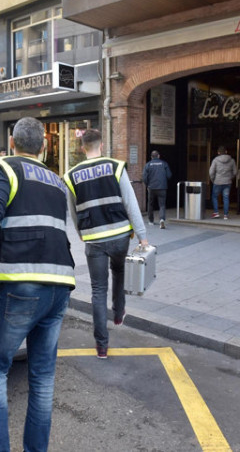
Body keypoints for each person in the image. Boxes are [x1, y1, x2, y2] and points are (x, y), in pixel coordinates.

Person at [0, 117, 75, 452]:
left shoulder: (6, 167)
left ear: (12, 144)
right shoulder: (58, 182)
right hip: (59, 286)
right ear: (43, 148)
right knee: (42, 378)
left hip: (20, 284)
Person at [63, 129, 148, 359]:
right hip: (120, 236)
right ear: (101, 146)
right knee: (119, 271)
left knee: (98, 290)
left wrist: (81, 233)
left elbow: (72, 211)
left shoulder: (71, 175)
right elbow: (131, 203)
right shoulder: (115, 166)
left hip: (94, 240)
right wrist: (142, 235)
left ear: (83, 148)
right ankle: (119, 313)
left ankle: (101, 345)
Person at [142, 150, 172, 229]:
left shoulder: (148, 165)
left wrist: (147, 185)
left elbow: (144, 178)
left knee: (150, 204)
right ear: (158, 156)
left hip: (151, 187)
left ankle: (151, 221)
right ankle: (162, 219)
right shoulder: (164, 164)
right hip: (162, 187)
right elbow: (169, 175)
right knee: (162, 205)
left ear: (151, 157)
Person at [208, 146, 237, 219]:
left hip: (217, 181)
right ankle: (225, 215)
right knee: (226, 197)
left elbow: (211, 172)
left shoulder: (215, 160)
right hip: (227, 182)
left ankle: (216, 212)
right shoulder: (232, 160)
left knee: (215, 197)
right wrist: (230, 178)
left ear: (218, 153)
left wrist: (213, 180)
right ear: (226, 152)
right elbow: (235, 172)